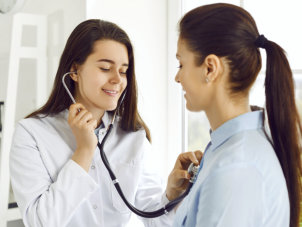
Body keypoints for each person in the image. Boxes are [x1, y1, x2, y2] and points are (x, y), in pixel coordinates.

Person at [9, 19, 200, 227]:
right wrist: (84, 151)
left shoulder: (132, 135)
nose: (117, 79)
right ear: (74, 70)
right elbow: (40, 222)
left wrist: (172, 194)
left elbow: (157, 221)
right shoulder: (31, 133)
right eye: (105, 68)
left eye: (123, 71)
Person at [169, 3, 302, 227]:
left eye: (181, 64)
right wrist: (174, 197)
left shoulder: (234, 167)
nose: (177, 78)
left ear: (210, 68)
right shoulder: (229, 149)